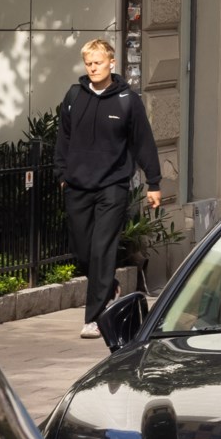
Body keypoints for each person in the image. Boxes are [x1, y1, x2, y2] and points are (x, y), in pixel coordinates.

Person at [56, 38, 160, 338]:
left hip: (113, 185)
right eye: (88, 63)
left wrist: (154, 183)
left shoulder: (127, 100)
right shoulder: (74, 95)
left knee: (102, 248)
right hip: (77, 185)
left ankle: (95, 316)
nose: (92, 67)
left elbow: (143, 142)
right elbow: (63, 138)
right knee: (82, 249)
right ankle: (110, 285)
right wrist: (61, 173)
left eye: (98, 62)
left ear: (111, 63)